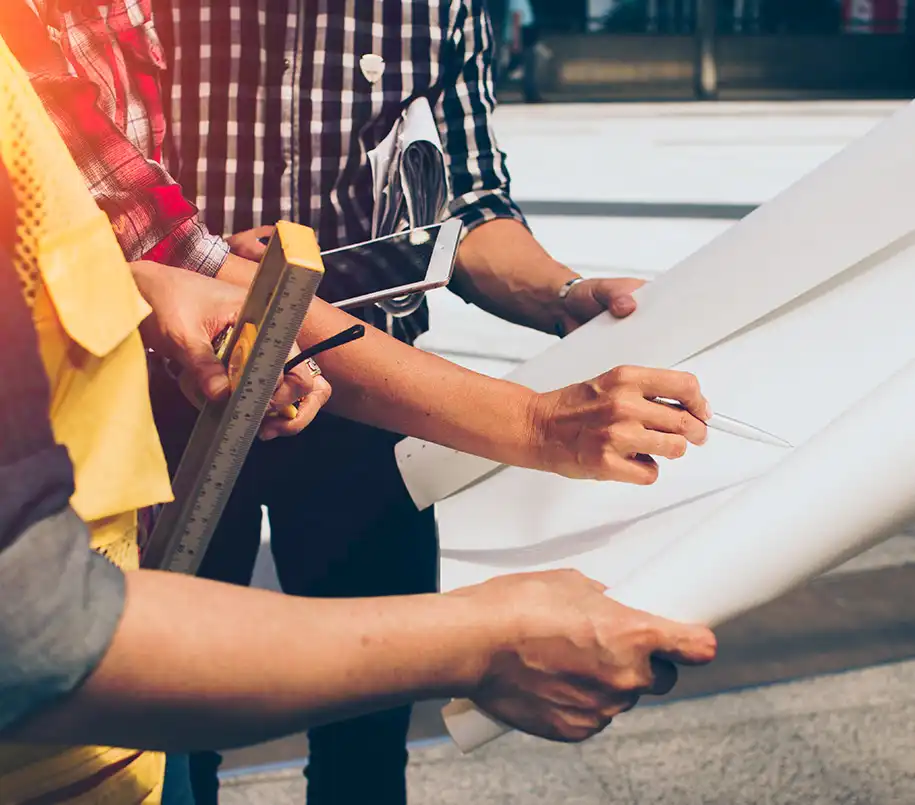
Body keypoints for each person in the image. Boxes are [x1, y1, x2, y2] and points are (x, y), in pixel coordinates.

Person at [5, 3, 712, 803]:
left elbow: (467, 200)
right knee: (172, 723)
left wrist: (562, 295)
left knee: (366, 738)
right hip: (186, 384)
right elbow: (159, 238)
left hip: (377, 396)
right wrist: (529, 423)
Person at [504, 0, 544, 102]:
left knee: (526, 66)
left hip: (525, 34)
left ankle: (531, 93)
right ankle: (531, 94)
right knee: (524, 66)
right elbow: (516, 17)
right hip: (522, 35)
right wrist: (516, 41)